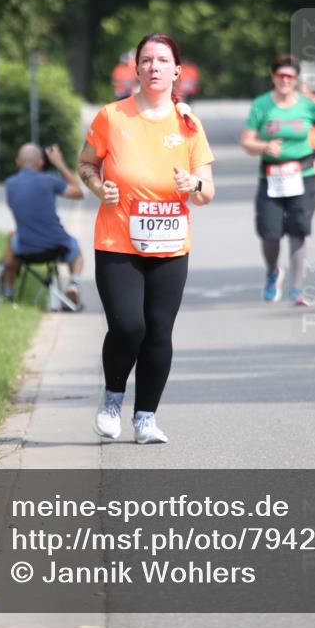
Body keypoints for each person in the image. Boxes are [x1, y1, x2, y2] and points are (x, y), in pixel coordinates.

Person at [78, 32, 215, 444]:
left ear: (177, 71)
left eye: (162, 60)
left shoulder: (189, 124)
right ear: (135, 68)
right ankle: (112, 399)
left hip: (171, 243)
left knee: (158, 330)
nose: (154, 67)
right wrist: (99, 187)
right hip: (118, 239)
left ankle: (146, 418)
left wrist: (193, 184)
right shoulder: (111, 117)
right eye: (147, 60)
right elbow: (86, 164)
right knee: (128, 326)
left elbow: (207, 192)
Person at [241, 54, 315, 306]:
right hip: (271, 176)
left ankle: (297, 288)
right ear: (273, 78)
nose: (285, 80)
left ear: (295, 80)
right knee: (270, 233)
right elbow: (247, 142)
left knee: (298, 230)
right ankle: (273, 272)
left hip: (302, 176)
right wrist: (263, 147)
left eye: (290, 76)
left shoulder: (307, 105)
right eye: (280, 75)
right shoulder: (262, 105)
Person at [4, 143, 84, 305]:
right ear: (41, 162)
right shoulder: (49, 180)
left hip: (26, 249)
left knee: (11, 237)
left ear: (17, 161)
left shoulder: (10, 185)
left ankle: (8, 293)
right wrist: (59, 164)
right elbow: (79, 192)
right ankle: (73, 284)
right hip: (57, 246)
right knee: (77, 250)